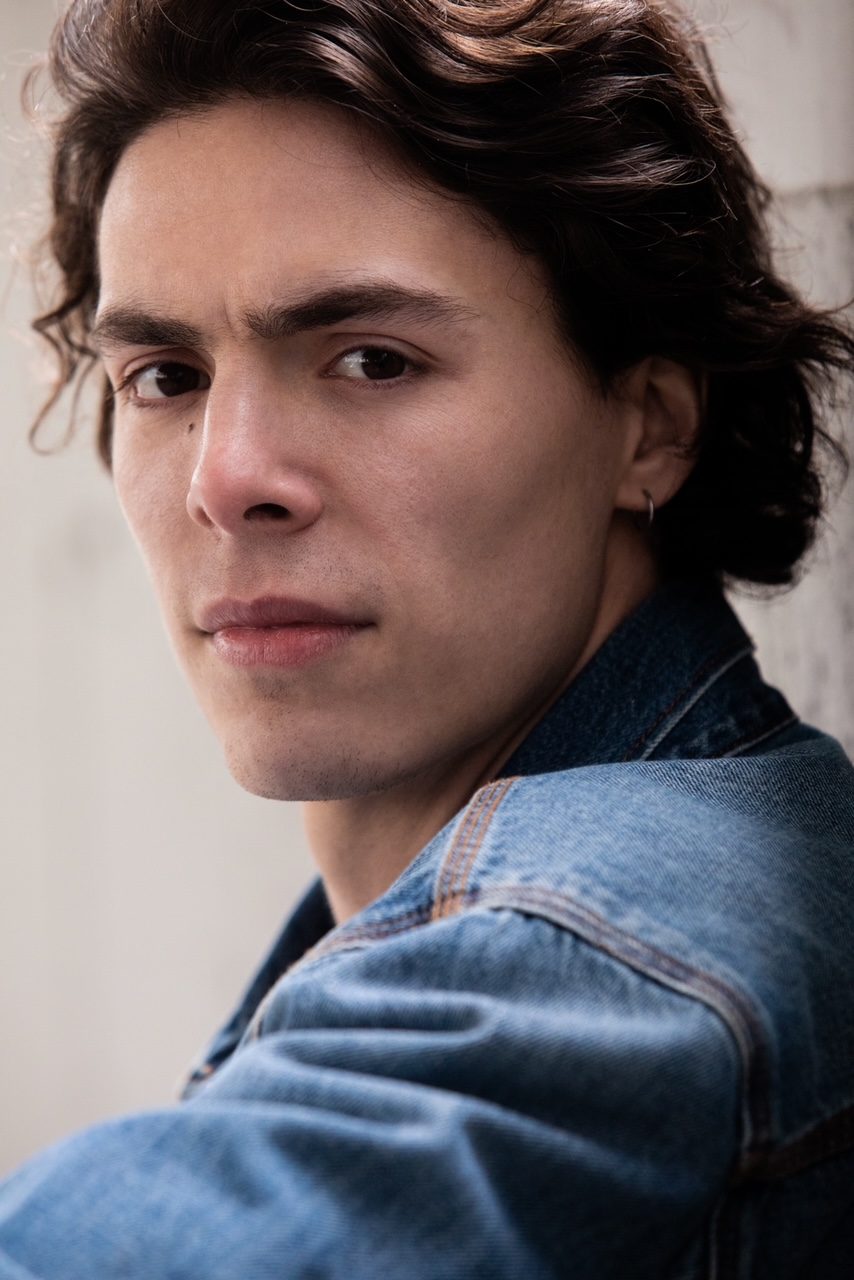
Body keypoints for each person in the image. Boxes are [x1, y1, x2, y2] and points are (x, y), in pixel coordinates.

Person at [2, 0, 854, 1274]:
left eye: (372, 360)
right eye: (166, 376)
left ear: (650, 425)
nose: (225, 480)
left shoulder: (597, 943)